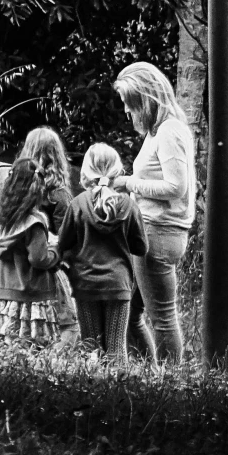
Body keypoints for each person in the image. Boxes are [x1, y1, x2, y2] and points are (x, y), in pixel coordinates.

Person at [109, 61, 197, 363]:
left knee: (162, 318)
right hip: (148, 231)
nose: (125, 111)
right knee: (128, 313)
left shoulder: (170, 130)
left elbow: (176, 187)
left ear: (143, 98)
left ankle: (170, 384)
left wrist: (130, 184)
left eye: (127, 103)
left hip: (159, 234)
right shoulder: (157, 131)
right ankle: (147, 376)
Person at [60, 143, 148, 358]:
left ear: (85, 172)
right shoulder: (128, 205)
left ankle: (91, 389)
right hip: (119, 283)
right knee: (117, 349)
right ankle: (119, 389)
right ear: (117, 171)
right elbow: (141, 247)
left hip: (85, 283)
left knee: (91, 349)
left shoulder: (77, 204)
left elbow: (63, 245)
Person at [0, 158, 73, 344]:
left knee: (11, 344)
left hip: (7, 292)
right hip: (31, 293)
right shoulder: (35, 222)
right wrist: (56, 250)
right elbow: (38, 259)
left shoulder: (5, 218)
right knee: (34, 346)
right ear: (38, 189)